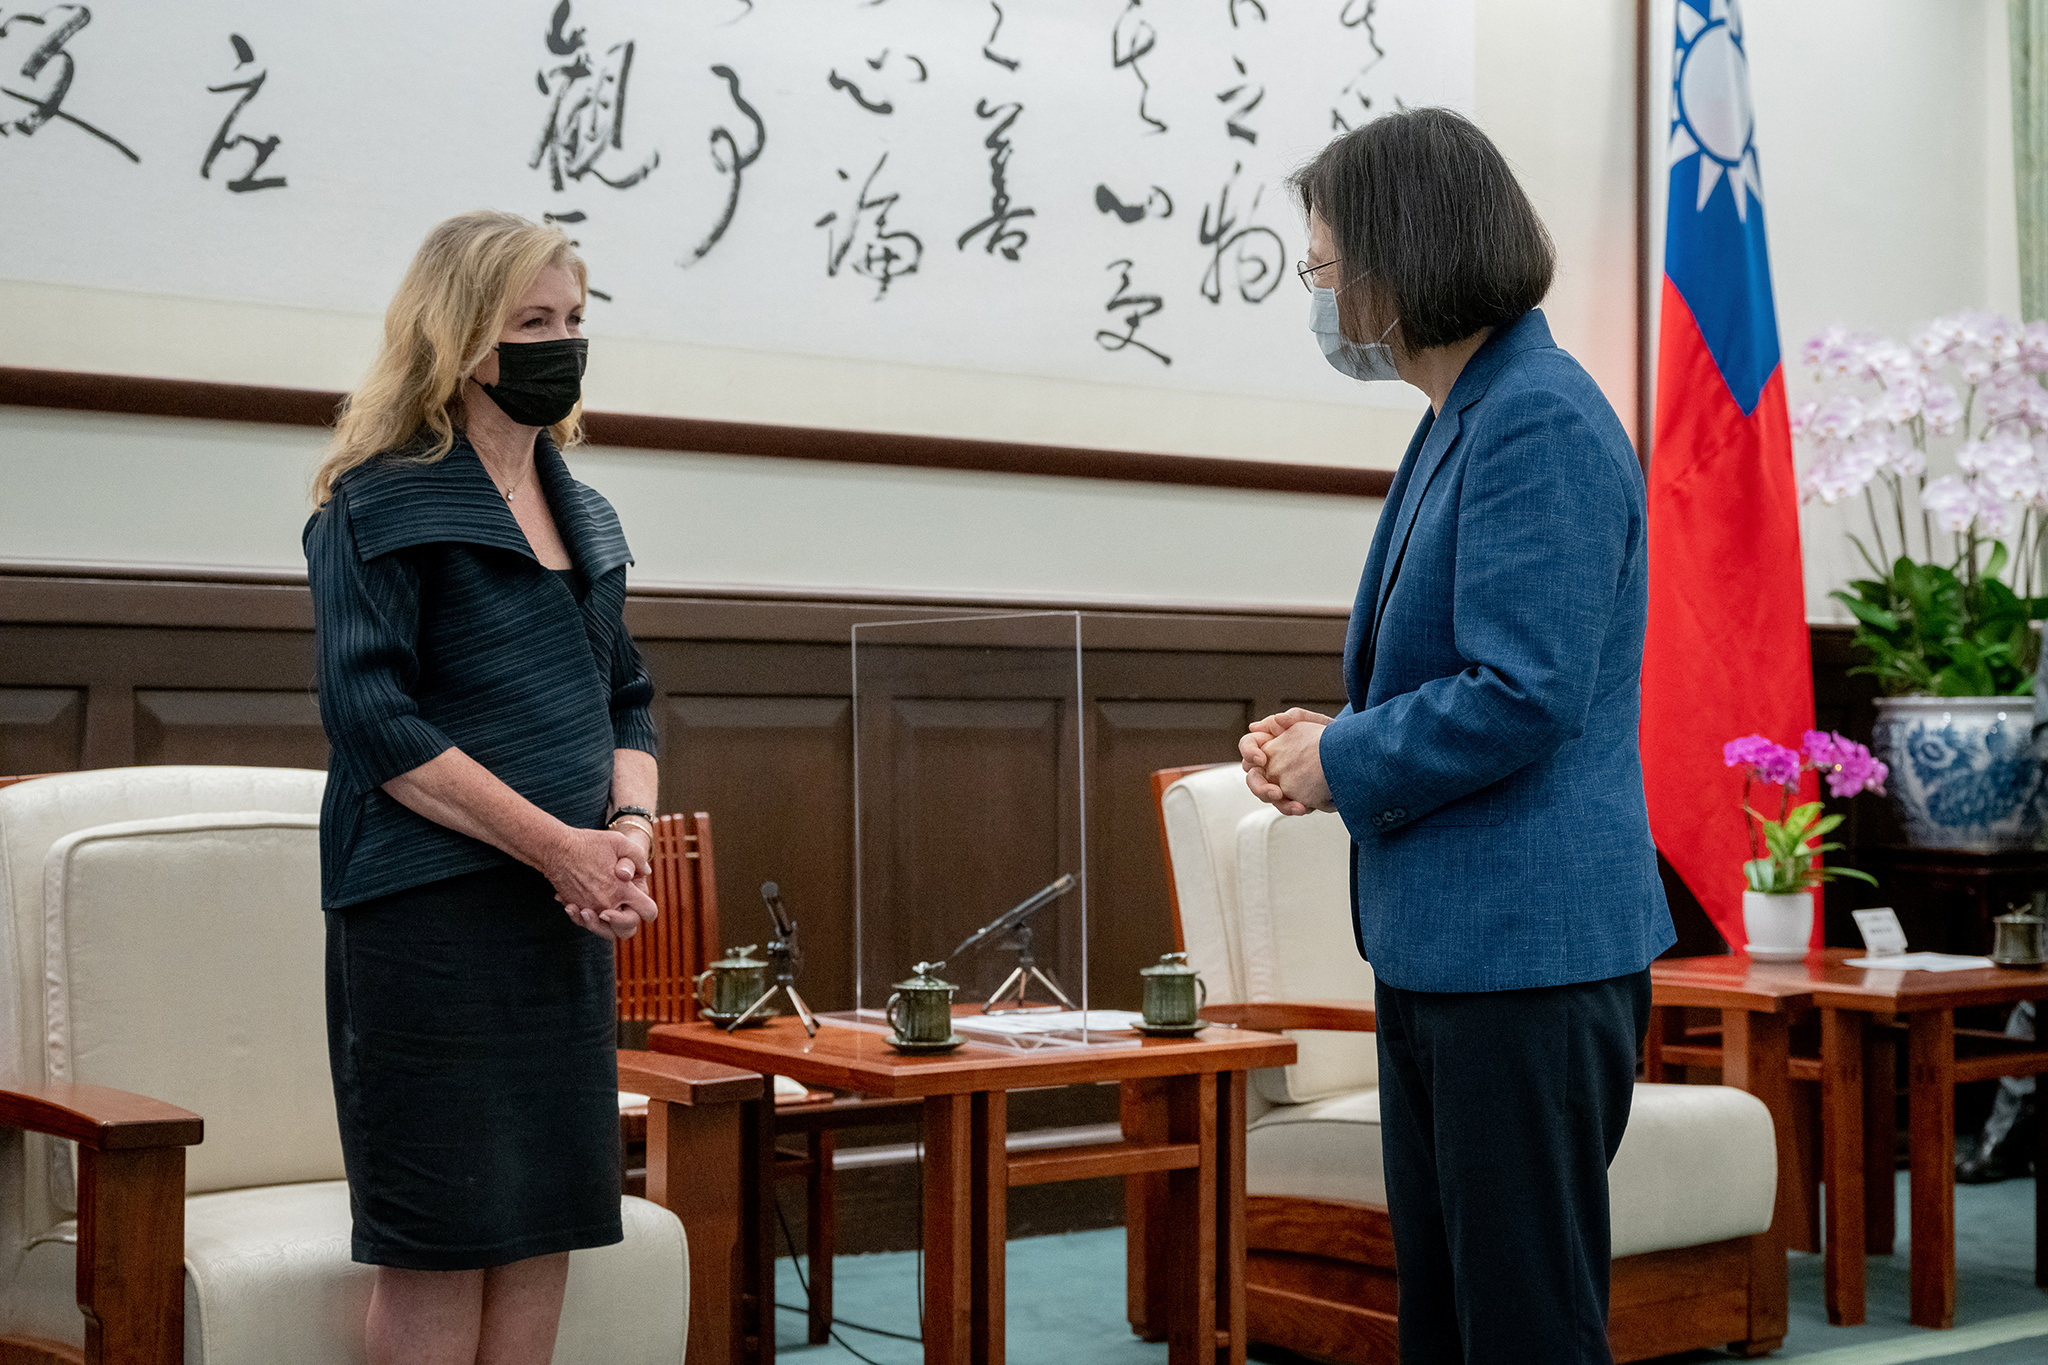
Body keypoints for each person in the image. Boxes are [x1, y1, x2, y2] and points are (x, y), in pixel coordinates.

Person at [1241, 110, 1674, 1365]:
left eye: (1322, 270)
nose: (1320, 300)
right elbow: (1472, 667)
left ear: (1401, 256)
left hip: (1523, 957)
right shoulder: (1463, 414)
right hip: (1450, 947)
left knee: (1523, 1326)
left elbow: (1524, 690)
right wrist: (1340, 733)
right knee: (1448, 1318)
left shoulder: (1535, 417)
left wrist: (1344, 761)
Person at [305, 209, 661, 1365]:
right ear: (460, 338)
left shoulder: (587, 514)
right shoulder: (376, 501)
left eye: (572, 320)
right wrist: (557, 847)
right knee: (444, 1239)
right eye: (531, 323)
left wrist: (625, 833)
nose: (561, 343)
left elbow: (629, 700)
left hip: (556, 922)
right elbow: (375, 723)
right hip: (427, 915)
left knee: (541, 1229)